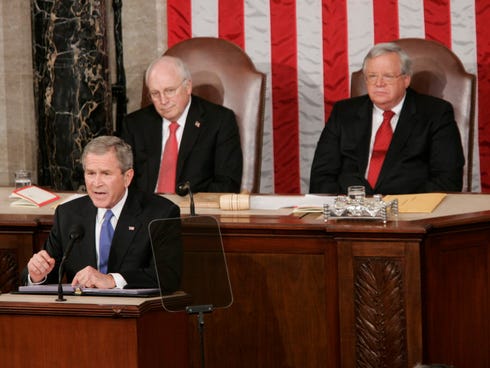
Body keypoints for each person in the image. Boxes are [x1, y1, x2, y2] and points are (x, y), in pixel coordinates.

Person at [23, 136, 182, 291]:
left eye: (106, 174)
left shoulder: (160, 213)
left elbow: (167, 276)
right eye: (91, 173)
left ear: (127, 177)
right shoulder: (68, 214)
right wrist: (37, 275)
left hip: (134, 313)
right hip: (82, 313)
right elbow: (48, 273)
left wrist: (112, 280)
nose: (96, 183)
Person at [309, 42, 465, 195]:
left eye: (388, 76)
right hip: (350, 213)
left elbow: (448, 180)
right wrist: (342, 210)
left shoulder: (436, 113)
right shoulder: (343, 112)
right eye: (372, 76)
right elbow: (321, 176)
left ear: (406, 80)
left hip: (409, 213)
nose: (379, 83)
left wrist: (405, 210)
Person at [119, 55, 243, 194]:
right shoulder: (134, 124)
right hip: (145, 210)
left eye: (169, 91)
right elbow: (122, 179)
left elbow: (227, 184)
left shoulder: (219, 121)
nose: (163, 100)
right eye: (155, 93)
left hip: (194, 210)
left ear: (188, 87)